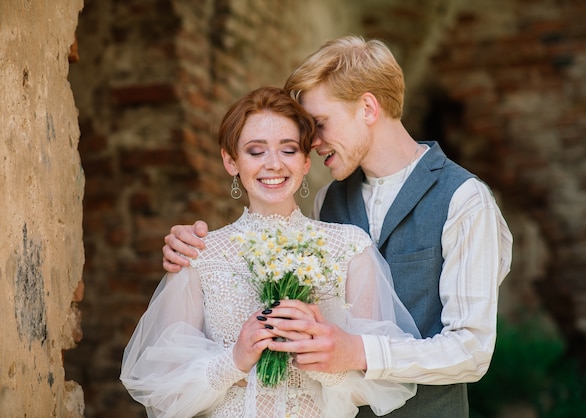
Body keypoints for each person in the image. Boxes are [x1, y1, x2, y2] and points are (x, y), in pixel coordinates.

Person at [162, 36, 513, 418]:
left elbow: (472, 350)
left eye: (320, 124)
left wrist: (356, 351)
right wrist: (195, 246)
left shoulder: (464, 199)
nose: (311, 142)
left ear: (367, 107)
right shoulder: (326, 200)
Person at [120, 86, 420, 418]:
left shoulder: (350, 249)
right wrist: (234, 360)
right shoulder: (198, 255)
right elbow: (166, 392)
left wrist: (317, 355)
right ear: (230, 161)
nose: (274, 164)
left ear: (306, 162)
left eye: (289, 150)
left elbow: (379, 385)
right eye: (255, 151)